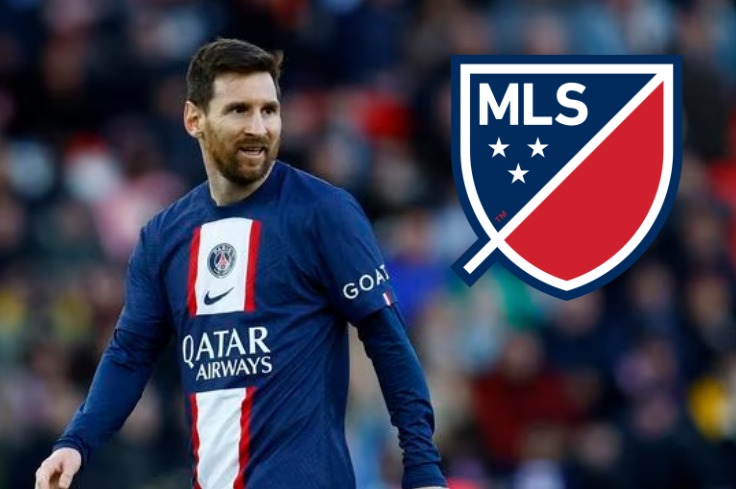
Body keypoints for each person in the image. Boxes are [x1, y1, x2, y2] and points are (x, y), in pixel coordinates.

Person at [34, 38, 448, 489]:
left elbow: (387, 339)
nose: (259, 127)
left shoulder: (324, 213)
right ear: (194, 119)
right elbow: (130, 353)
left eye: (269, 110)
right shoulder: (164, 238)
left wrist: (422, 468)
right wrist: (76, 442)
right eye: (239, 110)